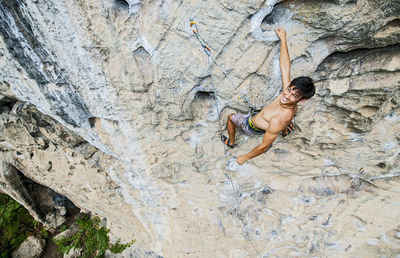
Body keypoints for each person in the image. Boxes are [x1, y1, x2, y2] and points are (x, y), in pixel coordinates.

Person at [221, 28, 315, 165]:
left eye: (293, 95)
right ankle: (285, 131)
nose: (286, 95)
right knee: (283, 121)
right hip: (271, 120)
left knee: (231, 117)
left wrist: (244, 158)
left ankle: (231, 142)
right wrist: (283, 39)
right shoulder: (290, 98)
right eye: (289, 89)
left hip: (252, 125)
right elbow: (285, 67)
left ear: (303, 100)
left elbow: (264, 145)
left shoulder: (279, 119)